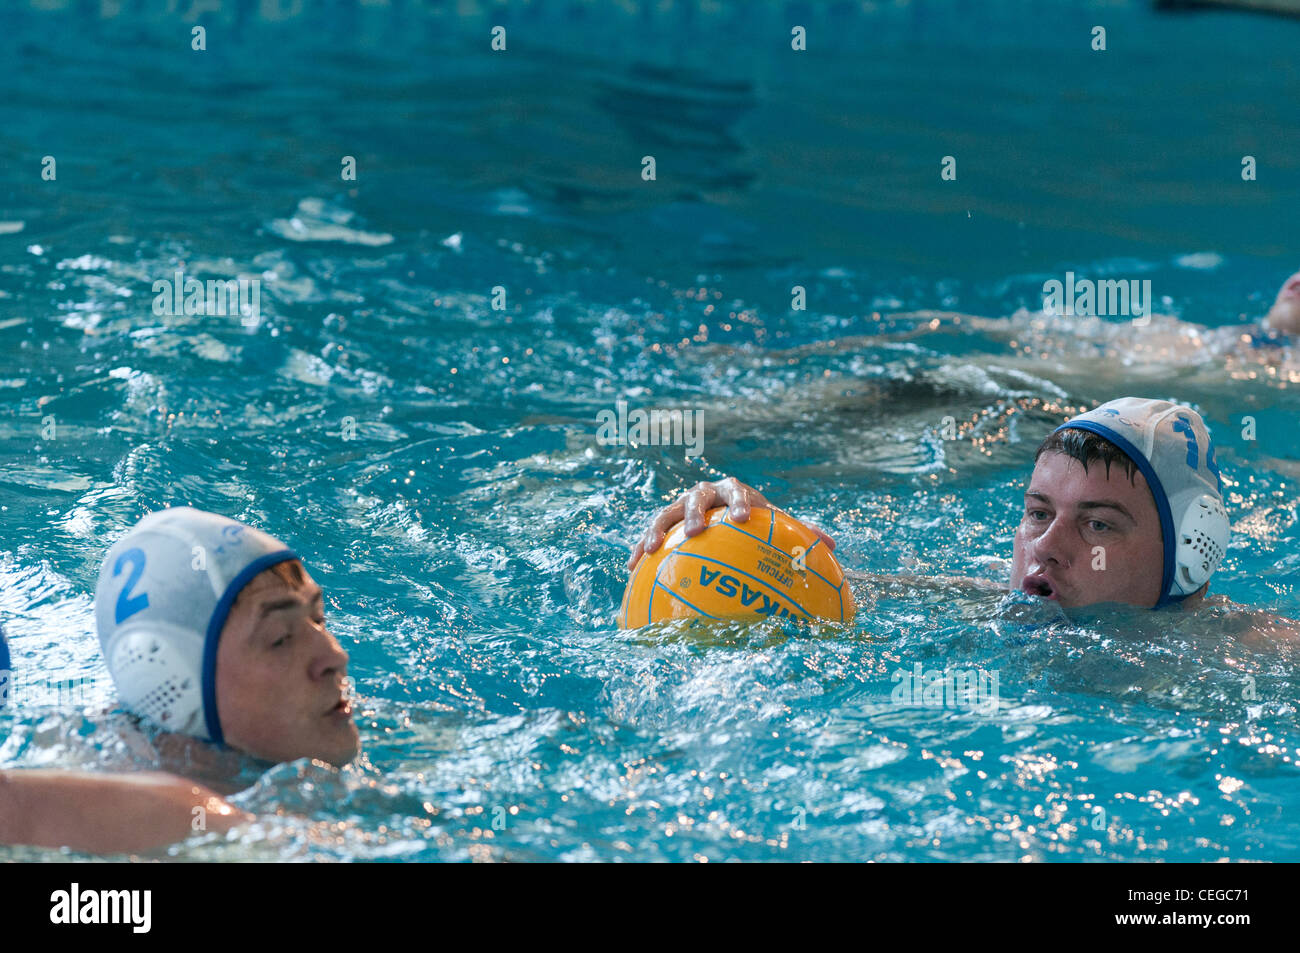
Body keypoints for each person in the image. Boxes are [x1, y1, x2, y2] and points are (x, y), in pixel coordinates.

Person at [628, 397, 1230, 612]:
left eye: (1097, 524)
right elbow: (805, 592)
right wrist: (745, 533)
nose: (1044, 548)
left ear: (1191, 561)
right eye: (1039, 513)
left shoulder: (1255, 665)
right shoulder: (979, 603)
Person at [0, 508, 359, 853]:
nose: (335, 657)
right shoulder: (175, 824)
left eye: (319, 619)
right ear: (174, 684)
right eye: (280, 639)